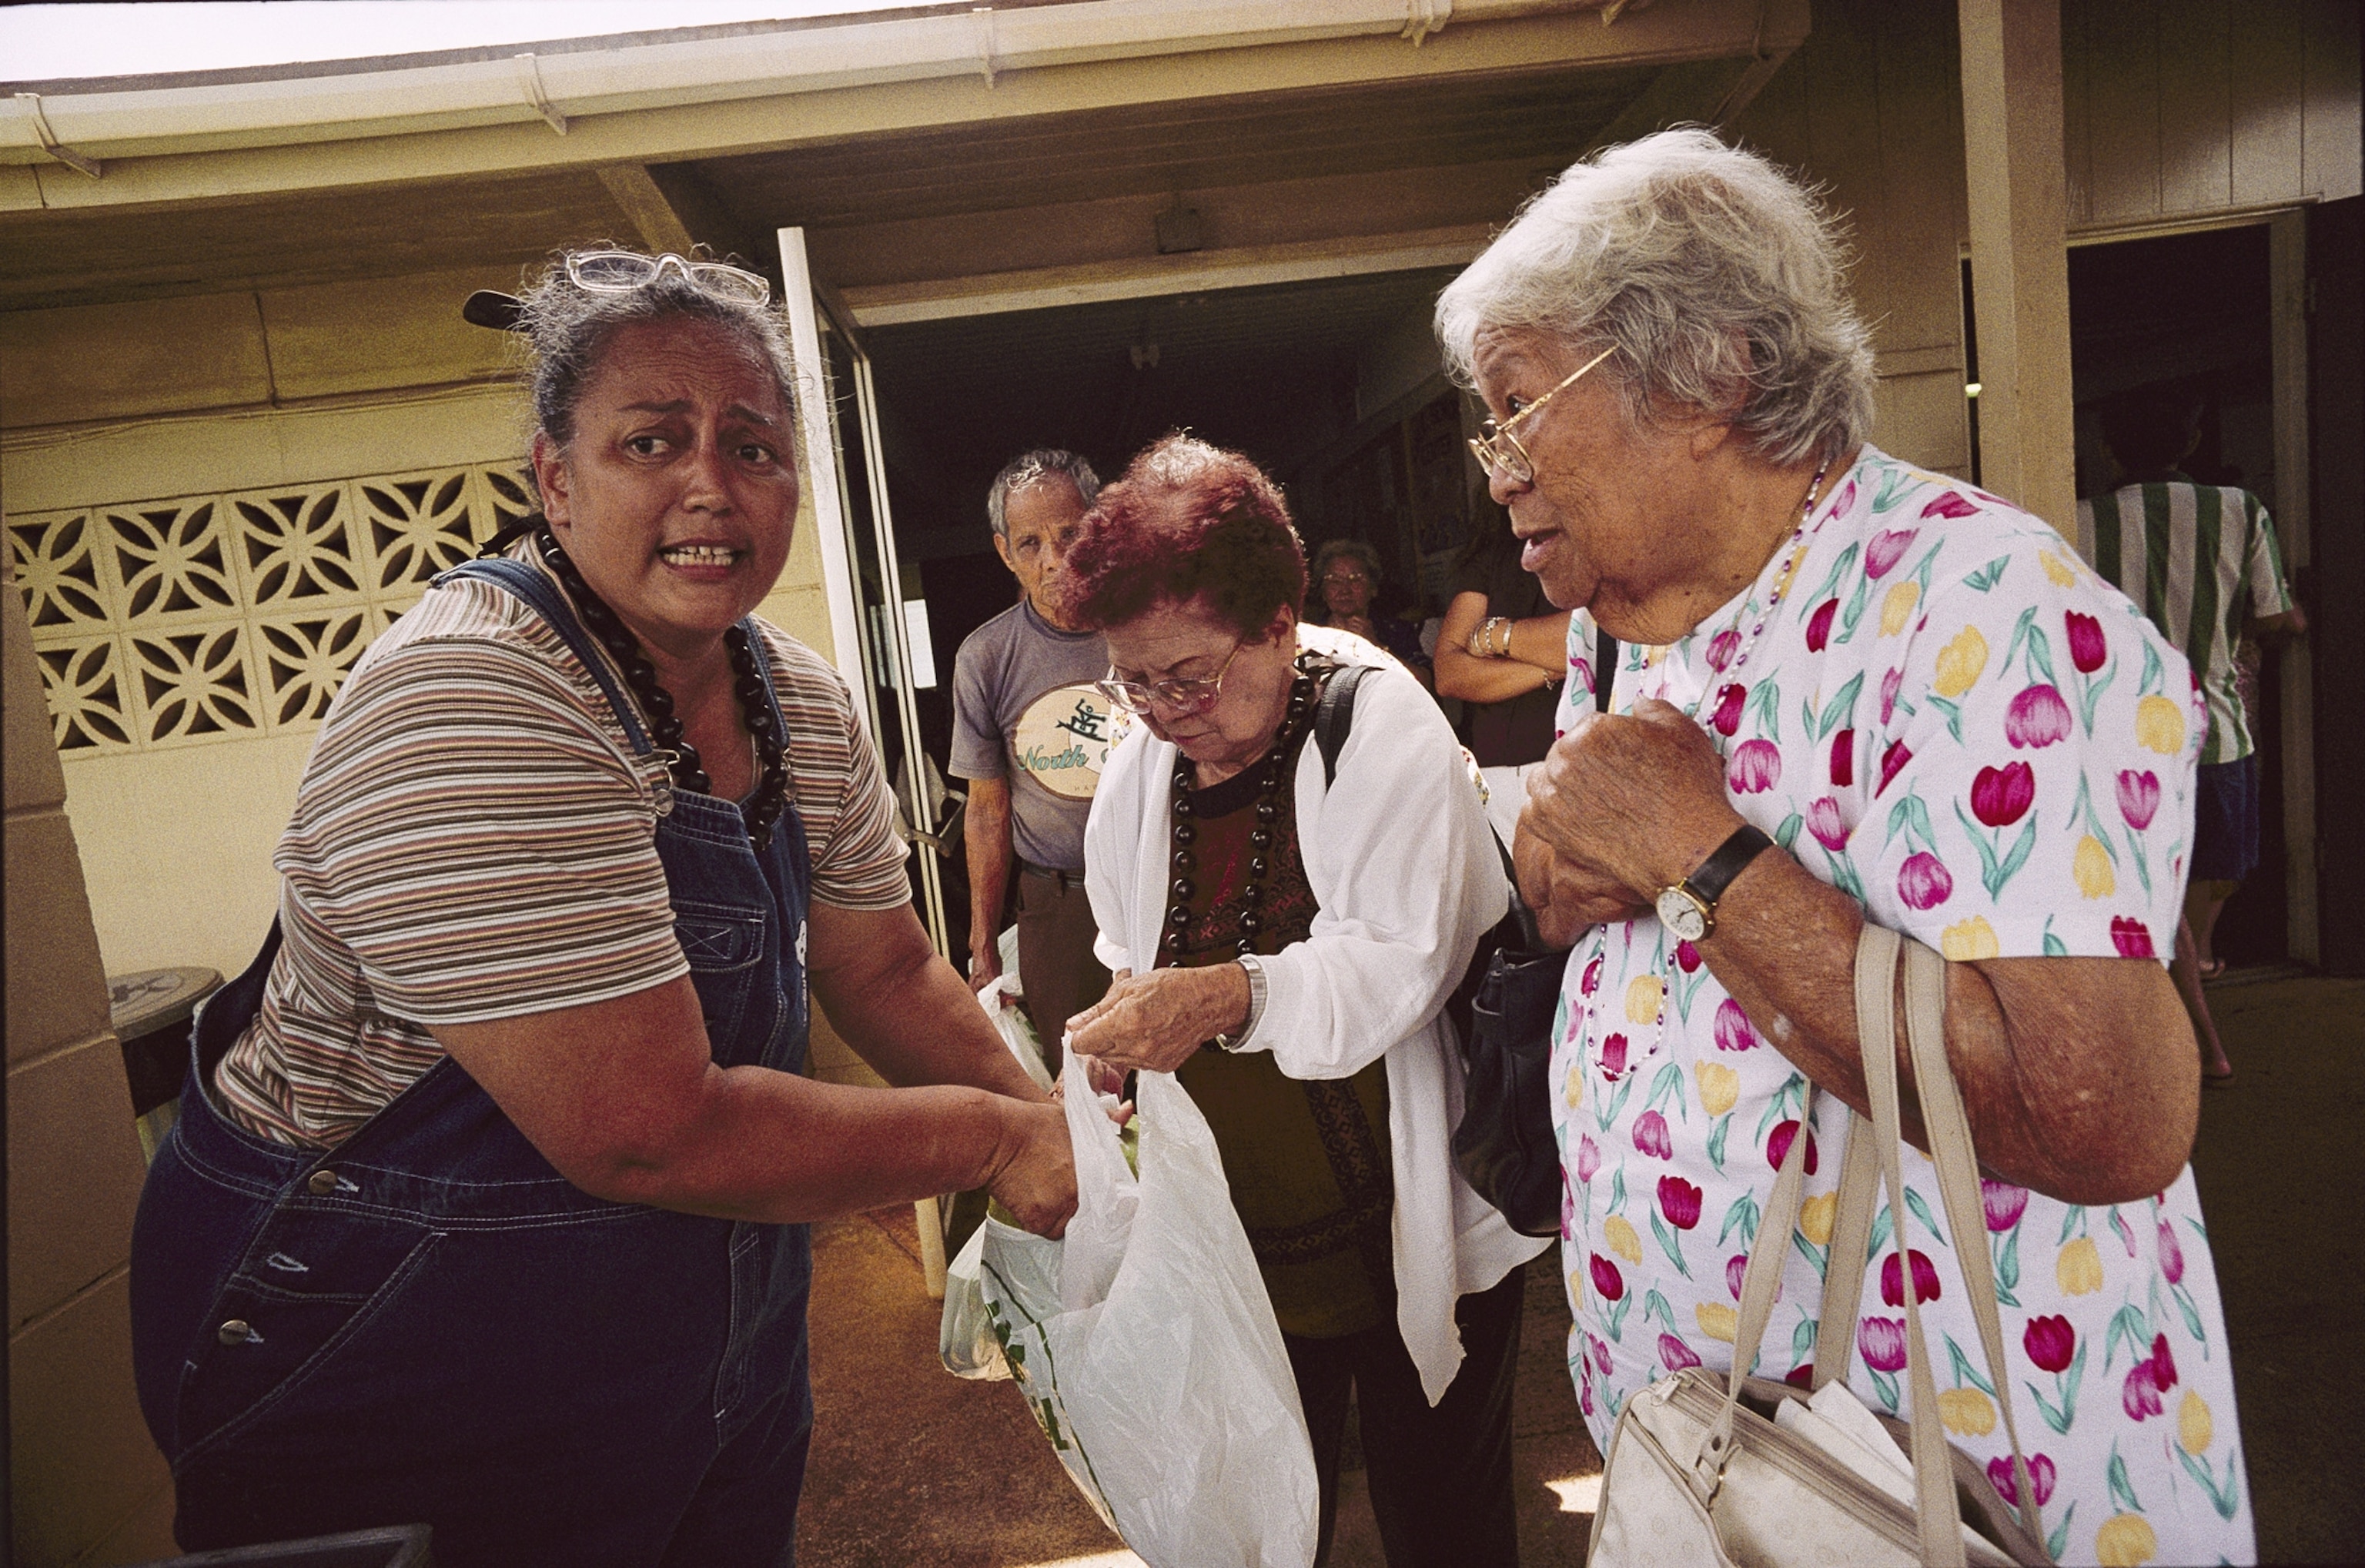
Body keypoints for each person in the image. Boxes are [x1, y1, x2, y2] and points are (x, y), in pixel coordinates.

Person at [128, 249, 1075, 1567]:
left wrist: (1055, 1132)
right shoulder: (473, 698)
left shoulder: (790, 694)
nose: (710, 485)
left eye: (752, 445)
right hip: (387, 1344)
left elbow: (886, 968)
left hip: (695, 1321)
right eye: (650, 440)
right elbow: (643, 1132)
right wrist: (987, 1142)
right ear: (554, 480)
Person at [1438, 131, 2252, 1565]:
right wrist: (1570, 873)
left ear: (1706, 376)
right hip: (1717, 1453)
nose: (1494, 471)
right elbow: (1587, 876)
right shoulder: (1638, 626)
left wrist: (1698, 854)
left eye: (1516, 409)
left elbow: (2105, 1123)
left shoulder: (1976, 607)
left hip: (1944, 1479)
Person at [1060, 435, 1547, 1568]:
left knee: (1445, 1519)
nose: (1165, 708)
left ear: (1279, 622)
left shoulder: (1377, 723)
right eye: (1134, 679)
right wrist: (1120, 1045)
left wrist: (1228, 995)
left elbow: (1399, 964)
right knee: (1263, 1512)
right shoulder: (1145, 761)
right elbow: (1127, 941)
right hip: (1244, 1242)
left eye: (1188, 674)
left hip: (1404, 1218)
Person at [2077, 385, 2306, 1079]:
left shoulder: (2080, 521)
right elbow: (2273, 619)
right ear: (2192, 443)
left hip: (2120, 740)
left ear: (2110, 447)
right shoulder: (2240, 511)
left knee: (2150, 885)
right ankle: (2198, 962)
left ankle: (2189, 978)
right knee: (2220, 869)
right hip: (2217, 733)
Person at [952, 448, 1117, 1060]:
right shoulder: (987, 657)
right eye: (1030, 543)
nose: (1054, 559)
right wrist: (983, 943)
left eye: (1071, 534)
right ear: (1004, 553)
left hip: (1167, 891)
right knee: (1080, 1085)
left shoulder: (1148, 627)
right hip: (1060, 907)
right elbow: (987, 810)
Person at [1433, 496, 1577, 839]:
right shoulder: (1489, 558)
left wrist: (1492, 636)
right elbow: (1450, 674)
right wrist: (1558, 666)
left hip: (1573, 773)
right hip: (1492, 777)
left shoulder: (1591, 548)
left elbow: (1591, 634)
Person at [1307, 537, 1432, 686]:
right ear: (1323, 591)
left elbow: (1424, 682)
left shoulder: (1397, 631)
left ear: (1373, 588)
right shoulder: (1310, 636)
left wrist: (1376, 647)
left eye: (1355, 579)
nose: (1345, 590)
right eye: (1334, 580)